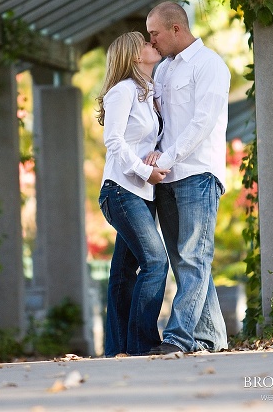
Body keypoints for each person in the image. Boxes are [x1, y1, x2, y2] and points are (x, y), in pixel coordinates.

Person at [144, 1, 231, 354]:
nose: (151, 43)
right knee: (183, 260)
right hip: (166, 177)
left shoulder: (209, 65)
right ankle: (212, 338)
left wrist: (165, 158)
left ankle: (178, 337)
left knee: (194, 256)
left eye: (155, 34)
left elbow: (202, 123)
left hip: (197, 174)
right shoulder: (163, 70)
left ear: (176, 29)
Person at [96, 31, 169, 357]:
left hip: (141, 192)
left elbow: (142, 140)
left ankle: (117, 351)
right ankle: (143, 345)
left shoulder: (147, 93)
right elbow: (113, 141)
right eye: (145, 43)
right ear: (133, 56)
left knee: (123, 273)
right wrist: (144, 171)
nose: (152, 44)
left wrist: (155, 153)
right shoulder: (121, 91)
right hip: (121, 190)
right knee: (155, 262)